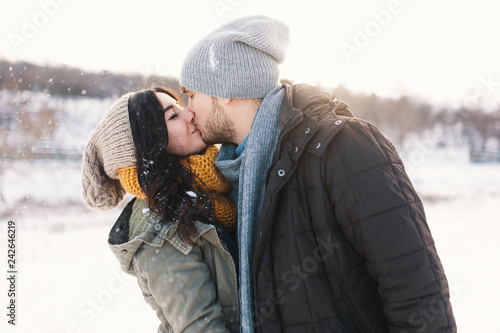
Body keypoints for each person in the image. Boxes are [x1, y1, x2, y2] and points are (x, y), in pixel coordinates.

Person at [179, 15, 457, 332]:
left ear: (224, 89)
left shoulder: (343, 145)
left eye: (192, 94)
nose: (188, 110)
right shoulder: (234, 177)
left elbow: (415, 287)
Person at [80, 86, 239, 332]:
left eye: (182, 108)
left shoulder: (214, 188)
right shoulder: (159, 229)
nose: (190, 115)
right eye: (173, 116)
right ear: (148, 145)